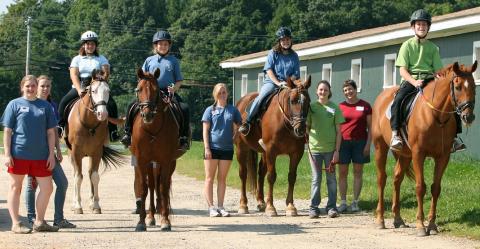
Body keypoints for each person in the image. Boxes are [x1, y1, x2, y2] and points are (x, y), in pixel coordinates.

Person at [390, 9, 465, 152]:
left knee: (450, 100)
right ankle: (395, 135)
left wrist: (440, 77)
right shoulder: (406, 45)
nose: (421, 27)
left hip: (429, 80)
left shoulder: (433, 48)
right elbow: (402, 70)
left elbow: (438, 70)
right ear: (413, 27)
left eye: (424, 25)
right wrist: (414, 81)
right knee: (398, 100)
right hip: (411, 80)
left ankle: (455, 137)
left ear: (428, 27)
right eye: (418, 24)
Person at [2, 75, 58, 233]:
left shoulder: (45, 106)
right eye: (28, 86)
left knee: (47, 188)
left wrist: (51, 155)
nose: (31, 88)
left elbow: (51, 133)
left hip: (41, 155)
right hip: (18, 154)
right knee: (15, 187)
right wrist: (7, 154)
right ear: (22, 87)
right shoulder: (14, 104)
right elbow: (7, 131)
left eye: (33, 86)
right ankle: (16, 223)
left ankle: (39, 222)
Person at [121, 30, 190, 150]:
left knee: (184, 108)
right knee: (131, 105)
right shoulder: (149, 60)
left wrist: (174, 88)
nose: (163, 46)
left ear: (169, 46)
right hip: (149, 92)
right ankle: (127, 133)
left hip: (167, 91)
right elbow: (141, 76)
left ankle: (183, 137)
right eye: (160, 44)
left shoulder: (173, 61)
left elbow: (179, 80)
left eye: (165, 44)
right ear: (155, 45)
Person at [25, 75, 76, 228]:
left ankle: (58, 218)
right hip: (32, 153)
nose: (45, 89)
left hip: (49, 153)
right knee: (32, 185)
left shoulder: (52, 105)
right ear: (36, 87)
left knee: (62, 183)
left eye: (48, 86)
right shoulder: (29, 104)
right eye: (42, 86)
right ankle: (31, 218)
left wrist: (58, 150)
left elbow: (53, 130)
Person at [57, 30, 120, 142]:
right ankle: (60, 126)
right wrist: (79, 89)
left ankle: (113, 131)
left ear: (95, 45)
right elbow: (74, 75)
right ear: (83, 45)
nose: (90, 46)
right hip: (80, 85)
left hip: (96, 85)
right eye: (87, 44)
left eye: (92, 44)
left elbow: (106, 73)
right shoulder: (77, 59)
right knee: (63, 102)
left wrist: (100, 82)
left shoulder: (102, 58)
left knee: (111, 104)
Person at [238, 26, 300, 135]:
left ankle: (302, 125)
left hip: (288, 84)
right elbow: (269, 70)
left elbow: (296, 74)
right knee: (261, 96)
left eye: (287, 39)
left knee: (301, 99)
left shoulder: (294, 56)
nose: (286, 42)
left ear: (291, 40)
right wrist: (278, 83)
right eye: (283, 40)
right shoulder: (273, 53)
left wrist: (289, 82)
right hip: (272, 82)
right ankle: (247, 122)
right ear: (279, 41)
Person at [201, 83, 242, 217]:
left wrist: (235, 135)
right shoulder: (209, 110)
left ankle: (220, 206)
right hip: (212, 148)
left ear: (227, 94)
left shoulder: (233, 110)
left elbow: (240, 125)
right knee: (209, 178)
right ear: (215, 95)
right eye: (220, 93)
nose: (222, 95)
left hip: (227, 149)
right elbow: (205, 131)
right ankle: (211, 207)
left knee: (222, 179)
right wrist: (207, 148)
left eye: (224, 92)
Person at [306, 80, 344, 219]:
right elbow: (307, 127)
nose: (323, 92)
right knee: (316, 178)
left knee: (331, 179)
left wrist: (337, 151)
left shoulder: (334, 108)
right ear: (317, 91)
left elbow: (339, 132)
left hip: (330, 150)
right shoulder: (311, 107)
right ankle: (314, 208)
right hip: (314, 149)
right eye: (321, 90)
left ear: (329, 92)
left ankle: (331, 207)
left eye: (325, 90)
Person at [337, 80, 372, 213]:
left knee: (358, 173)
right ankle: (343, 202)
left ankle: (355, 203)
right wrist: (336, 147)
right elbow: (337, 128)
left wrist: (368, 145)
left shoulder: (365, 106)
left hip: (360, 143)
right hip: (343, 143)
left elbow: (371, 128)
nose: (348, 92)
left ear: (355, 89)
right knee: (342, 173)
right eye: (345, 90)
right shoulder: (340, 106)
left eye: (350, 89)